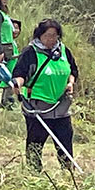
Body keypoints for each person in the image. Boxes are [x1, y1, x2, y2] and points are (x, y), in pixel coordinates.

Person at [11, 19, 79, 172]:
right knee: (35, 143)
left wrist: (70, 83)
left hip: (61, 106)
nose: (51, 40)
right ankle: (34, 173)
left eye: (54, 36)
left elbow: (73, 71)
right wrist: (17, 84)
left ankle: (68, 172)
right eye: (47, 36)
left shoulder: (63, 51)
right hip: (37, 107)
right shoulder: (30, 52)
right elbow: (20, 73)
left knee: (65, 141)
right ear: (39, 36)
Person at [0, 19, 22, 106]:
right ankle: (6, 103)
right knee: (9, 86)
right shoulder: (7, 42)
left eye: (17, 28)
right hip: (8, 68)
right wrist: (19, 56)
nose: (15, 31)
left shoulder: (13, 42)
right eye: (13, 28)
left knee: (9, 86)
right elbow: (7, 57)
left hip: (12, 68)